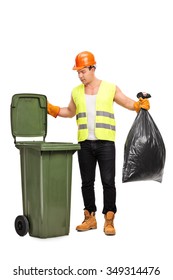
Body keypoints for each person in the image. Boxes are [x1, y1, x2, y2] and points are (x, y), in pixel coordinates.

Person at [47, 51, 150, 236]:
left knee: (108, 182)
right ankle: (90, 217)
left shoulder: (110, 87)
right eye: (77, 72)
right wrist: (52, 109)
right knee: (86, 183)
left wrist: (138, 106)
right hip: (84, 143)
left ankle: (109, 220)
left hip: (106, 144)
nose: (80, 75)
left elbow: (126, 102)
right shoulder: (76, 91)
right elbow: (70, 112)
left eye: (83, 71)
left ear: (93, 68)